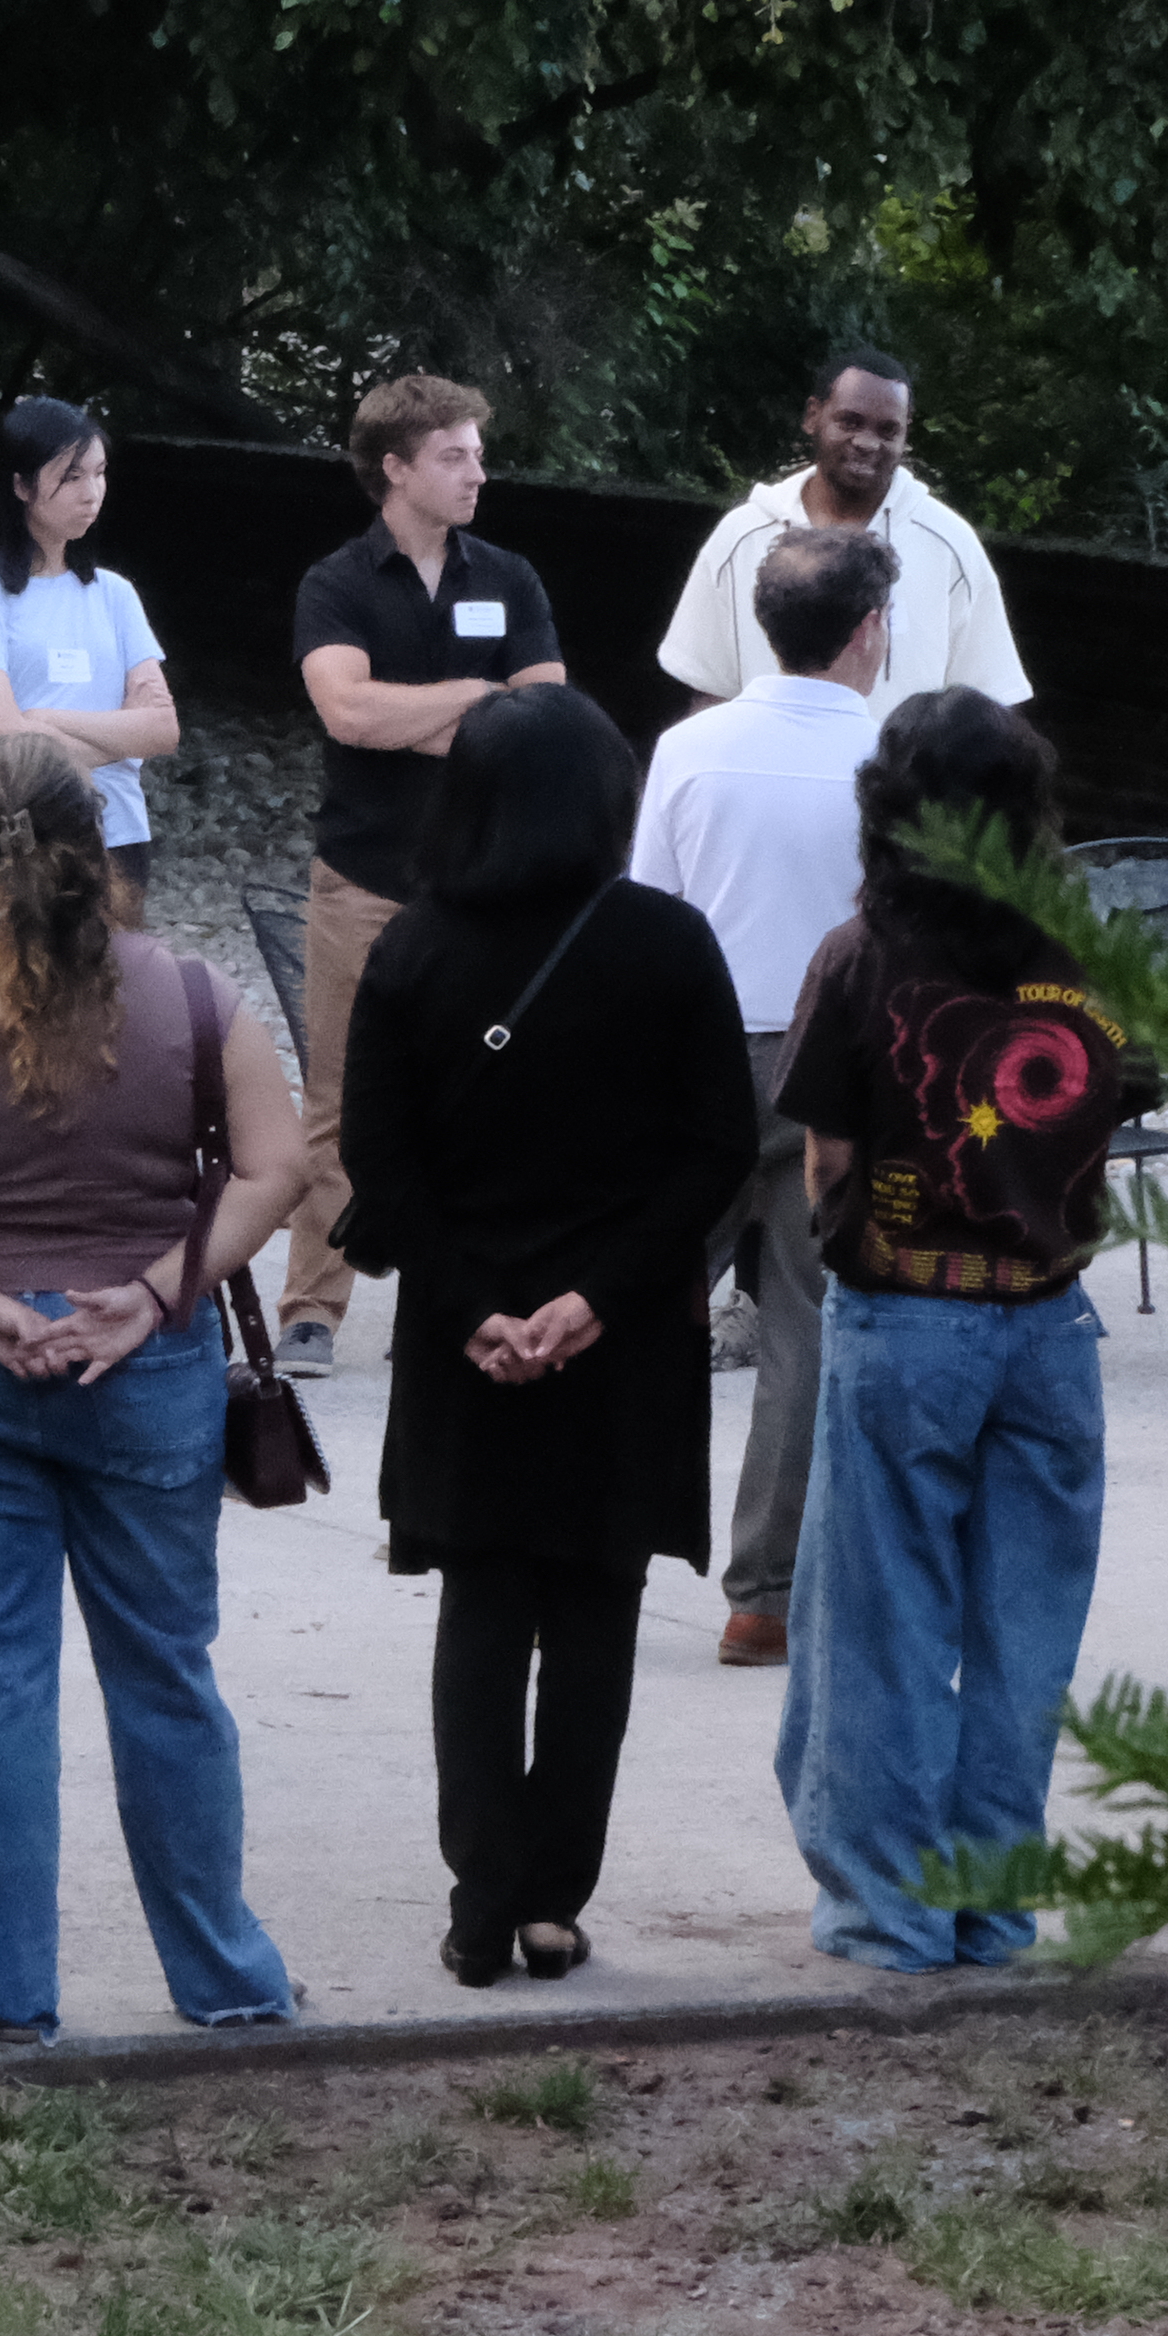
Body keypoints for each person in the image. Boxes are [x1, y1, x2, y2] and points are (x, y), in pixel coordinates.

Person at [0, 732, 308, 2042]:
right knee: (166, 1675)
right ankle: (227, 1978)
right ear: (103, 842)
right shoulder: (196, 998)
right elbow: (274, 1171)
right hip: (143, 1365)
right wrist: (151, 1296)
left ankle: (4, 1988)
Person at [333, 688, 756, 1987]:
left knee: (481, 1615)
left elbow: (375, 1164)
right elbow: (716, 1153)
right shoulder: (670, 945)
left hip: (466, 1345)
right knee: (593, 1623)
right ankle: (554, 1900)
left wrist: (476, 1308)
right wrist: (593, 1302)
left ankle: (478, 1896)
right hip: (616, 1346)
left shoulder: (411, 950)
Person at [770, 690, 1153, 1972]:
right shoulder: (1084, 952)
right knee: (1021, 1636)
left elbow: (827, 1149)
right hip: (1053, 1319)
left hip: (907, 1314)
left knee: (883, 1625)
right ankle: (993, 1907)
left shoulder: (861, 953)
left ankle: (891, 1914)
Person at [630, 526, 896, 1669]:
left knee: (636, 1300)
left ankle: (596, 1532)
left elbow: (650, 911)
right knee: (804, 1323)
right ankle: (765, 1593)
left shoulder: (693, 749)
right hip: (836, 1055)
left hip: (695, 1047)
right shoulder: (898, 753)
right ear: (871, 631)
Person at [282, 374, 568, 1376]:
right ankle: (313, 1305)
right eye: (455, 453)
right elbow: (347, 714)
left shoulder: (512, 576)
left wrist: (454, 715)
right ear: (394, 467)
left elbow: (545, 724)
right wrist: (480, 698)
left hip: (487, 887)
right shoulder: (335, 583)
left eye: (478, 452)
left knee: (494, 1091)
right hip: (361, 876)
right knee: (340, 1096)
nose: (478, 471)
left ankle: (478, 1296)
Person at [651, 350, 1031, 713]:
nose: (867, 443)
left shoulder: (949, 546)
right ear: (813, 416)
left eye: (887, 430)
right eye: (850, 422)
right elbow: (709, 692)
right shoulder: (742, 536)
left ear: (906, 432)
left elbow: (988, 703)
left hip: (895, 781)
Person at [0, 399, 180, 923]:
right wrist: (116, 734)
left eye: (99, 473)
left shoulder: (115, 595)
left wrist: (45, 720)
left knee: (114, 993)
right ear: (22, 486)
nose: (91, 493)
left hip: (118, 831)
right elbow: (6, 741)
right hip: (18, 837)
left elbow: (162, 730)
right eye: (71, 477)